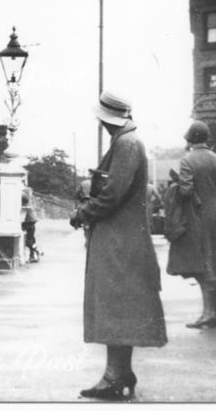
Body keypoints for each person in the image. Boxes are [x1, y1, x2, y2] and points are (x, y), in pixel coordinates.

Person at [69, 90, 166, 400]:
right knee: (118, 306)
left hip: (119, 241)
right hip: (122, 238)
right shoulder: (128, 141)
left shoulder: (126, 144)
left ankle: (115, 376)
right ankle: (119, 374)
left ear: (105, 117)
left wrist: (82, 212)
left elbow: (111, 196)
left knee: (114, 306)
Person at [165, 120, 216, 328]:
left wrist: (175, 185)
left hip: (199, 216)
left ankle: (207, 314)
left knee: (204, 266)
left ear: (189, 139)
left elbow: (185, 191)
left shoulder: (188, 160)